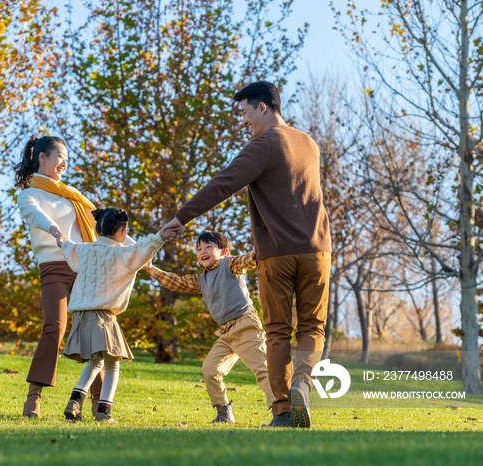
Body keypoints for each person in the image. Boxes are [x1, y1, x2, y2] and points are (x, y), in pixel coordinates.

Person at [160, 81, 331, 428]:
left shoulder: (264, 145)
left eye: (245, 112)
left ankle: (283, 412)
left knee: (279, 331)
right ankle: (303, 382)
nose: (244, 120)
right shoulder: (309, 143)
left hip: (276, 254)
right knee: (313, 326)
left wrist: (181, 218)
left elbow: (223, 183)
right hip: (318, 250)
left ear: (263, 107)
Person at [15, 135, 105, 419]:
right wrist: (53, 229)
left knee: (95, 333)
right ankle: (34, 397)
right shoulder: (30, 194)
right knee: (54, 328)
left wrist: (141, 247)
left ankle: (98, 402)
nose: (64, 162)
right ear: (42, 157)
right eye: (59, 156)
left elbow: (103, 223)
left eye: (66, 157)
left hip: (84, 268)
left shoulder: (73, 194)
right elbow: (35, 215)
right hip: (54, 267)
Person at [143, 231, 275, 423]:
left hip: (246, 326)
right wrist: (152, 269)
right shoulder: (201, 279)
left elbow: (247, 260)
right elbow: (177, 282)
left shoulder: (229, 264)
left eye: (208, 247)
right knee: (210, 370)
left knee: (262, 370)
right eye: (199, 249)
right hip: (225, 332)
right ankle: (224, 414)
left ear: (224, 252)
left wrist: (264, 249)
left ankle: (282, 411)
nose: (202, 251)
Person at [57, 207, 167, 422]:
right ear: (123, 230)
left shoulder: (83, 250)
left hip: (80, 315)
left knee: (95, 362)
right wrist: (161, 236)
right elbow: (144, 248)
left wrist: (60, 238)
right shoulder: (120, 253)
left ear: (97, 228)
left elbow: (66, 245)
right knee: (112, 363)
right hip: (104, 316)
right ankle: (104, 413)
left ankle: (75, 401)